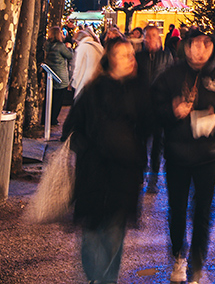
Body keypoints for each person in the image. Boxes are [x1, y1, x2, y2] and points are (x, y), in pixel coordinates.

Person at [61, 36, 151, 284]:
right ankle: (95, 277)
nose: (131, 60)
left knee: (114, 233)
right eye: (124, 55)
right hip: (94, 173)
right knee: (91, 232)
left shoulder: (140, 91)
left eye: (131, 54)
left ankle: (106, 280)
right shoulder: (92, 91)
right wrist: (90, 149)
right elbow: (71, 129)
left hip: (125, 174)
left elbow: (150, 126)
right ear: (110, 60)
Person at [152, 26, 215, 284]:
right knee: (177, 209)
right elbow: (154, 108)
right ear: (186, 46)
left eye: (206, 44)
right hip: (177, 154)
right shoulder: (171, 74)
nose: (200, 50)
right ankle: (179, 256)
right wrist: (173, 111)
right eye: (195, 44)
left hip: (207, 155)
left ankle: (197, 263)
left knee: (202, 212)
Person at [139, 24, 175, 189]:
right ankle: (140, 174)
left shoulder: (166, 56)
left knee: (157, 144)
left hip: (160, 107)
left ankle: (153, 177)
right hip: (142, 107)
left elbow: (172, 79)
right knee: (140, 142)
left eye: (153, 35)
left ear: (159, 38)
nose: (150, 39)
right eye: (147, 36)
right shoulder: (139, 57)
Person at [44, 27, 74, 128]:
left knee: (49, 98)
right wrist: (69, 48)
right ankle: (53, 119)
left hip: (51, 73)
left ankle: (46, 118)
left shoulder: (47, 45)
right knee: (58, 99)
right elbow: (70, 56)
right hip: (60, 75)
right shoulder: (60, 46)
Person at [72, 27, 105, 99]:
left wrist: (74, 83)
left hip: (85, 81)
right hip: (98, 79)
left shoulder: (82, 47)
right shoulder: (99, 46)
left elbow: (78, 67)